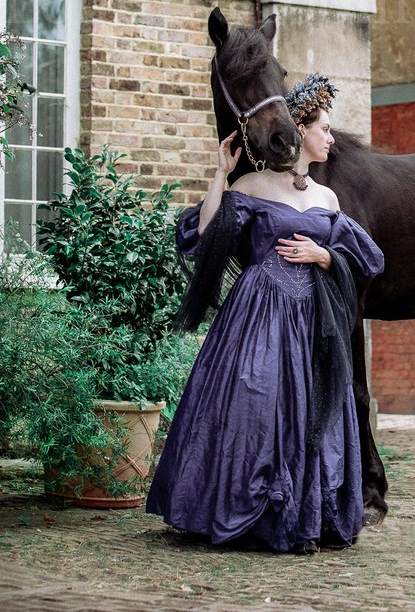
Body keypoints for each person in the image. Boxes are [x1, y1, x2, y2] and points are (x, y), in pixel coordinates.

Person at [146, 74, 384, 554]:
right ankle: (243, 511)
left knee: (312, 412)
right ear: (299, 131)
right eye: (324, 129)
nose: (332, 138)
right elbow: (204, 236)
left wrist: (324, 257)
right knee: (252, 409)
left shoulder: (327, 199)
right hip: (256, 317)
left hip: (312, 322)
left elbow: (370, 259)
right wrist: (220, 174)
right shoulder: (253, 185)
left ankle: (307, 512)